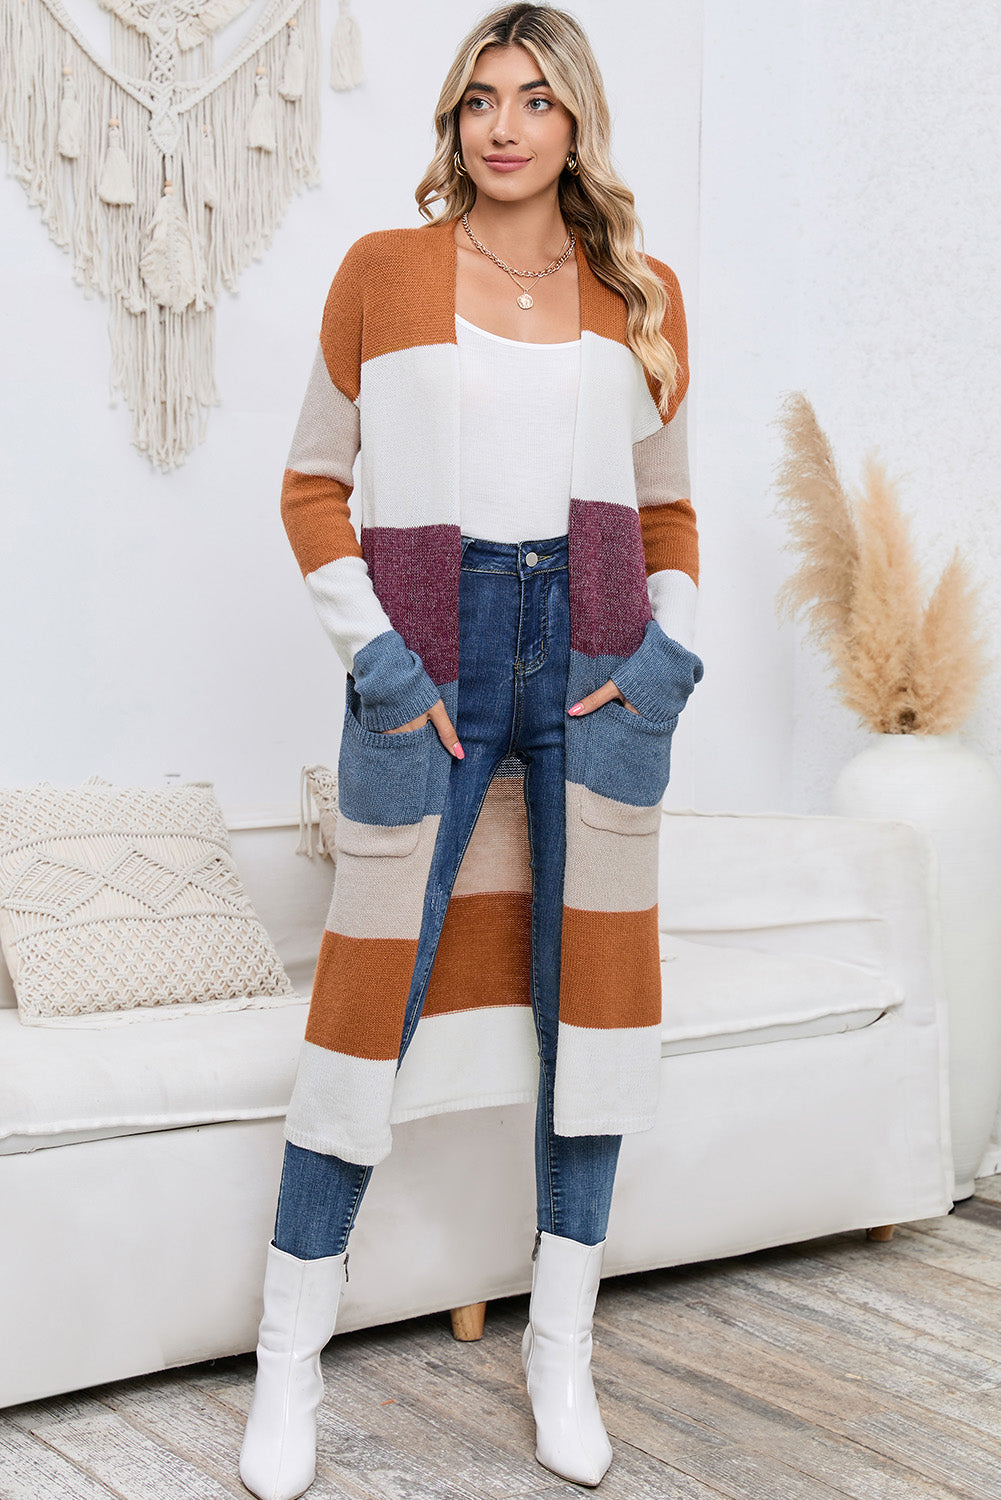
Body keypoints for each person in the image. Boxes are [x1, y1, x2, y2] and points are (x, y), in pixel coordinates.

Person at [239, 5, 703, 1497]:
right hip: (429, 649)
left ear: (575, 123)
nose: (502, 127)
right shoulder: (382, 272)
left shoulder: (637, 290)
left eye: (533, 101)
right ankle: (286, 1364)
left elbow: (671, 512)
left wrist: (667, 656)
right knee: (367, 997)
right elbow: (315, 484)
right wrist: (376, 660)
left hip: (596, 658)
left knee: (599, 1009)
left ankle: (558, 1347)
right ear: (451, 127)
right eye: (477, 103)